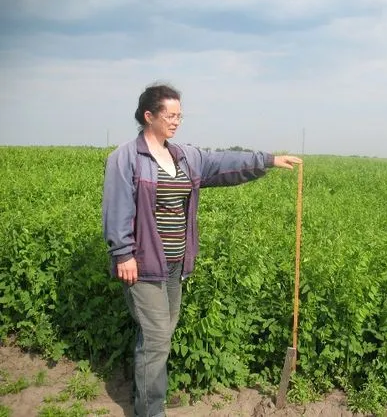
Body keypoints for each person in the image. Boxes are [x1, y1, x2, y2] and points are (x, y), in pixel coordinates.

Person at [102, 83, 302, 417]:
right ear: (148, 116)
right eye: (170, 115)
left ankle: (149, 400)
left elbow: (223, 163)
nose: (176, 121)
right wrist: (122, 253)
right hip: (143, 264)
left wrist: (267, 160)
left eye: (180, 115)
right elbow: (117, 207)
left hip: (175, 264)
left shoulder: (184, 156)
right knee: (156, 339)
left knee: (158, 335)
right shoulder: (126, 158)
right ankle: (151, 411)